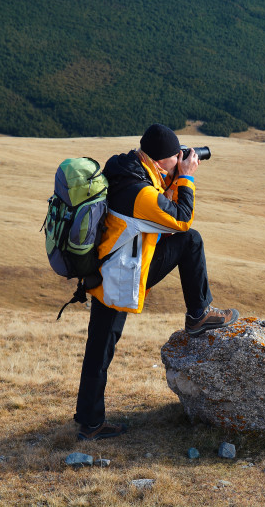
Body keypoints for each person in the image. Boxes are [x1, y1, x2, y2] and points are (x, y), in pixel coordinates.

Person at [74, 123, 238, 441]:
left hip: (111, 268)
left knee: (98, 349)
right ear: (163, 160)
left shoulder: (127, 168)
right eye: (176, 157)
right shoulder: (140, 193)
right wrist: (187, 177)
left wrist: (173, 176)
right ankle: (199, 315)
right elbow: (179, 219)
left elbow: (161, 210)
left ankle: (88, 419)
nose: (180, 160)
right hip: (118, 278)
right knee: (189, 237)